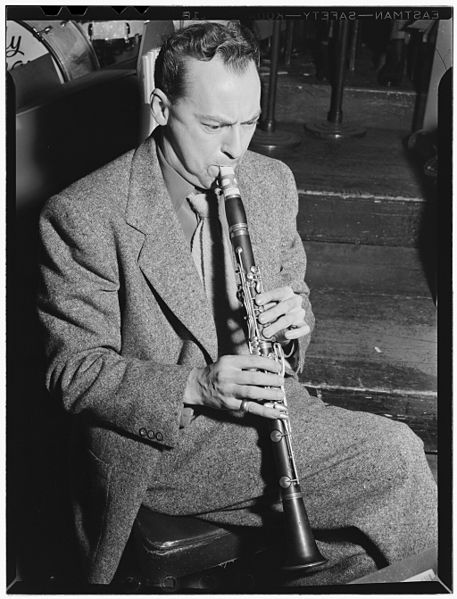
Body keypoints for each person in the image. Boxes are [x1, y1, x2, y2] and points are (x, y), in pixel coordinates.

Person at [38, 21, 437, 586]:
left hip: (270, 409)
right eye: (214, 125)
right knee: (395, 456)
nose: (235, 147)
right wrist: (198, 384)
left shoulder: (271, 180)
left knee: (381, 541)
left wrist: (293, 324)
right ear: (160, 107)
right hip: (163, 442)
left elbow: (295, 293)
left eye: (248, 122)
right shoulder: (84, 213)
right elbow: (72, 372)